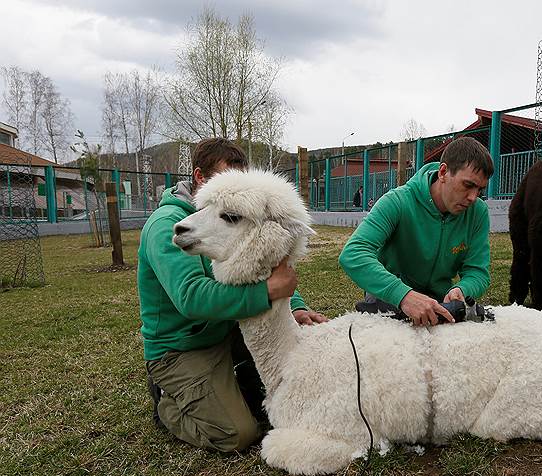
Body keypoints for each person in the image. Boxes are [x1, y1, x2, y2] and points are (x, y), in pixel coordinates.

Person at [137, 137, 327, 453]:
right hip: (183, 347)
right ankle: (167, 402)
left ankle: (228, 385)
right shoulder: (167, 226)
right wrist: (266, 292)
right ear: (200, 178)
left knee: (291, 390)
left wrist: (294, 306)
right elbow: (191, 297)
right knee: (238, 433)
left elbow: (260, 267)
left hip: (228, 331)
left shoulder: (234, 215)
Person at [338, 137, 493, 327]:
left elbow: (478, 271)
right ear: (443, 172)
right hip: (390, 296)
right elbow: (353, 254)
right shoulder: (397, 201)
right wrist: (404, 296)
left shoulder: (478, 212)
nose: (473, 197)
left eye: (480, 190)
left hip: (439, 300)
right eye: (468, 185)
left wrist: (463, 289)